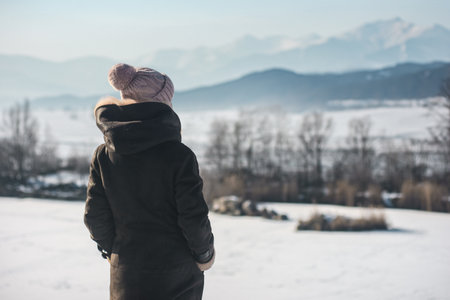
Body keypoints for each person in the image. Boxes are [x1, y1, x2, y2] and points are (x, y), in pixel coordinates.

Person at [84, 63, 215, 300]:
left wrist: (115, 252)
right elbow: (193, 218)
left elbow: (95, 217)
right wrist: (205, 255)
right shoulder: (180, 156)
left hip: (126, 275)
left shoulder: (103, 155)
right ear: (161, 104)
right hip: (177, 278)